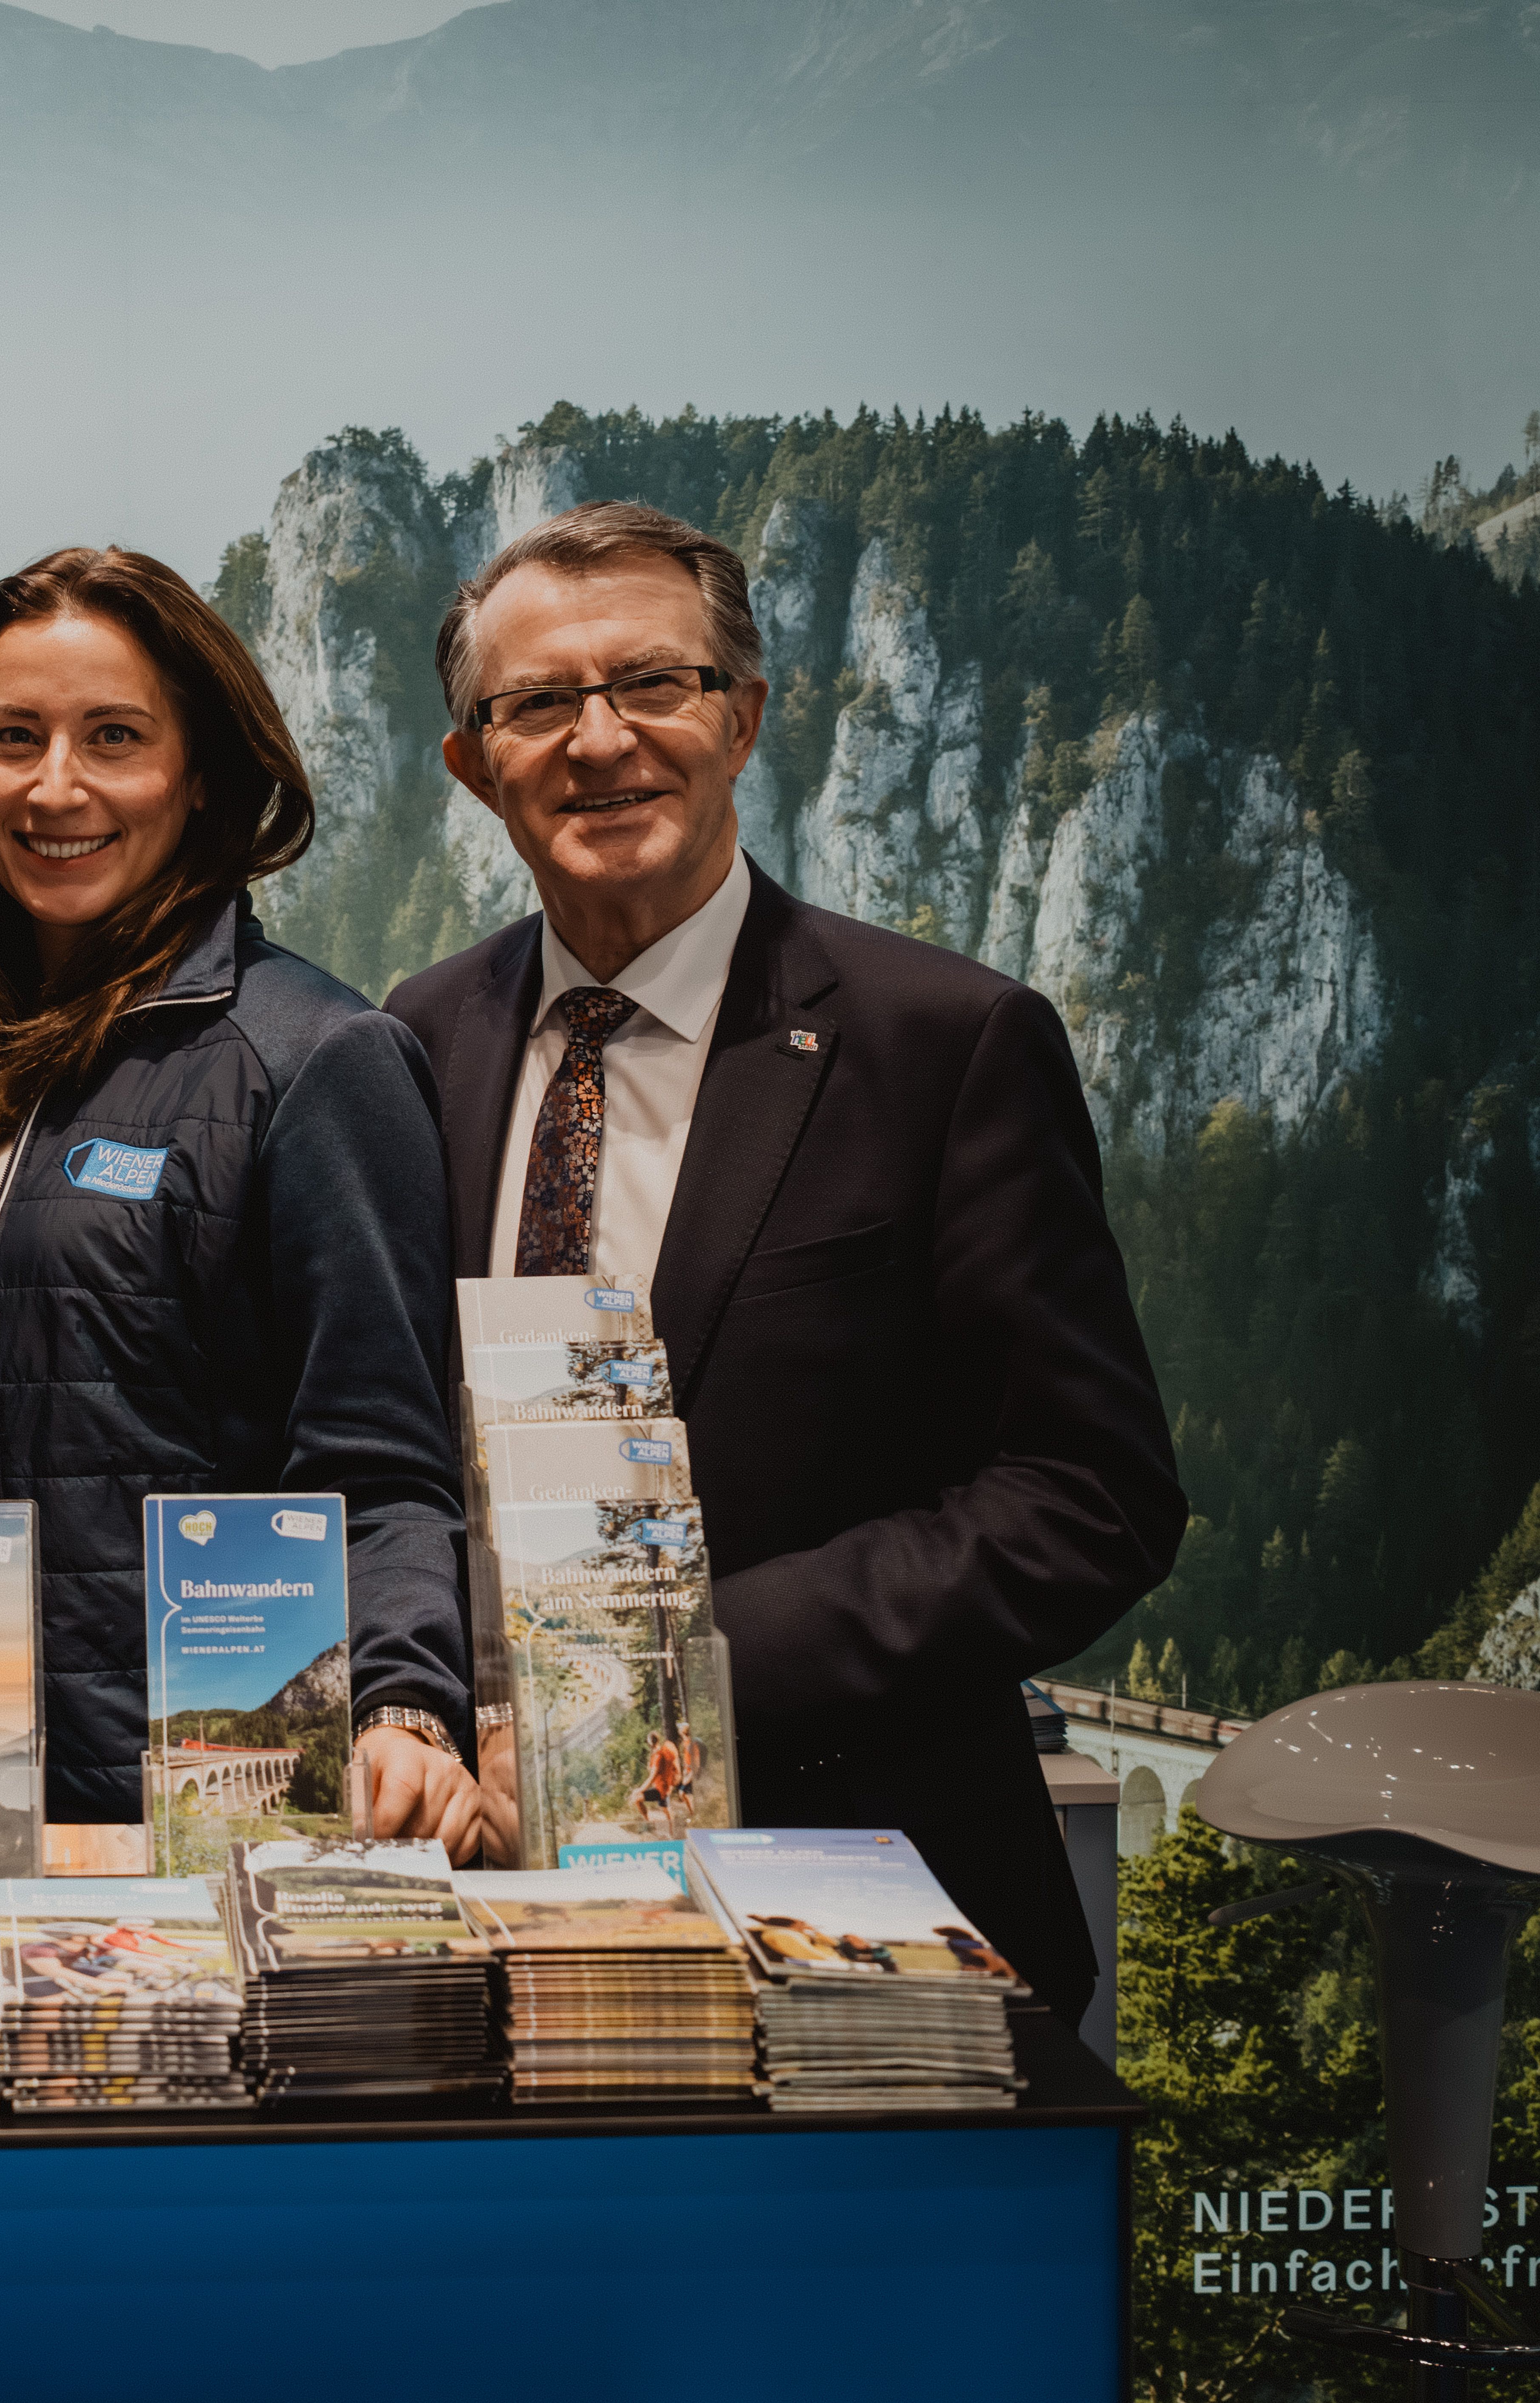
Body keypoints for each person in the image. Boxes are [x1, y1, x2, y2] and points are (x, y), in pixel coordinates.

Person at [386, 498, 1186, 2021]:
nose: (600, 740)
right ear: (473, 766)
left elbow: (1090, 1495)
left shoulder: (942, 1043)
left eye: (652, 683)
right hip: (478, 1898)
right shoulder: (408, 1045)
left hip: (855, 1914)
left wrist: (677, 1670)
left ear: (741, 718)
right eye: (537, 704)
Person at [0, 548, 481, 1857]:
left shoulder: (313, 1058)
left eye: (114, 737)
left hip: (199, 1813)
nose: (55, 786)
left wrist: (404, 1706)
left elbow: (379, 1468)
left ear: (199, 776)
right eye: (13, 737)